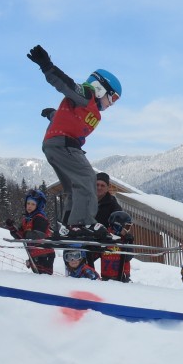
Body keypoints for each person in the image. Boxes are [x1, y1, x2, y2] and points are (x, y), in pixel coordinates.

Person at [27, 44, 121, 238]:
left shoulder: (89, 109)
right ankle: (82, 223)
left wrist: (53, 114)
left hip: (56, 145)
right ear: (101, 88)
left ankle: (67, 225)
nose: (110, 104)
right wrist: (47, 66)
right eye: (111, 98)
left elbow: (70, 118)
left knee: (73, 186)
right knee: (87, 178)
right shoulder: (86, 94)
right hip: (64, 144)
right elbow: (65, 84)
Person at [15, 189, 54, 274]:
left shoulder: (40, 218)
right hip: (34, 253)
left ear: (38, 206)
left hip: (45, 254)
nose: (29, 206)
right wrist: (12, 228)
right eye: (28, 203)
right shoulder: (27, 219)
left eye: (33, 204)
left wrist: (24, 234)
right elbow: (20, 236)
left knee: (44, 278)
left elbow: (37, 235)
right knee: (37, 277)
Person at [100, 210, 134, 282]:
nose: (128, 230)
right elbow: (93, 254)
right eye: (127, 227)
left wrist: (129, 243)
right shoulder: (105, 238)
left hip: (123, 277)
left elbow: (128, 257)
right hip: (107, 277)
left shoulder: (125, 239)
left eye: (129, 227)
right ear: (118, 226)